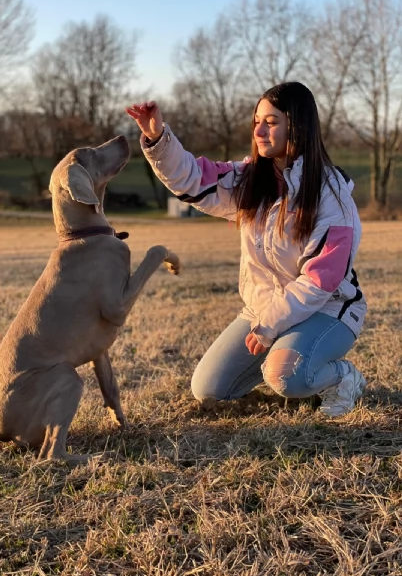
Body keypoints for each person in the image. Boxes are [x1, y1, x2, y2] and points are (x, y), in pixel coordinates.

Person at [126, 81, 367, 417]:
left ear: (297, 126)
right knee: (210, 389)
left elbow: (319, 281)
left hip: (329, 309)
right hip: (265, 310)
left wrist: (269, 326)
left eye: (271, 122)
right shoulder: (249, 180)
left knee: (284, 376)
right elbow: (194, 178)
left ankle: (342, 378)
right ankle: (294, 359)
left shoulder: (331, 196)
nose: (259, 130)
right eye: (256, 121)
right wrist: (158, 139)